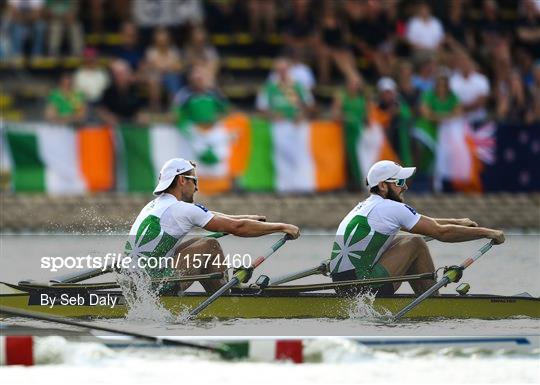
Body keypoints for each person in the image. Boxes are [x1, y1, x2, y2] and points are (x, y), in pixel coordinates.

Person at [124, 158, 300, 295]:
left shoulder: (156, 205)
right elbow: (237, 228)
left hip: (134, 282)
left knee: (199, 241)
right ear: (181, 180)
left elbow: (213, 216)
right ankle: (226, 299)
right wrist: (283, 227)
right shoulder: (182, 209)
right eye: (194, 180)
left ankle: (221, 294)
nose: (197, 188)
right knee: (209, 246)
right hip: (154, 286)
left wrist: (248, 217)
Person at [329, 160, 505, 296]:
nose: (405, 186)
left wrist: (457, 221)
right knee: (416, 243)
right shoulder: (391, 208)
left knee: (402, 240)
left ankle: (427, 296)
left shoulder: (365, 206)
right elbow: (441, 232)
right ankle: (434, 303)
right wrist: (488, 232)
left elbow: (422, 222)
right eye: (399, 181)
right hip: (363, 289)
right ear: (383, 186)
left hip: (343, 287)